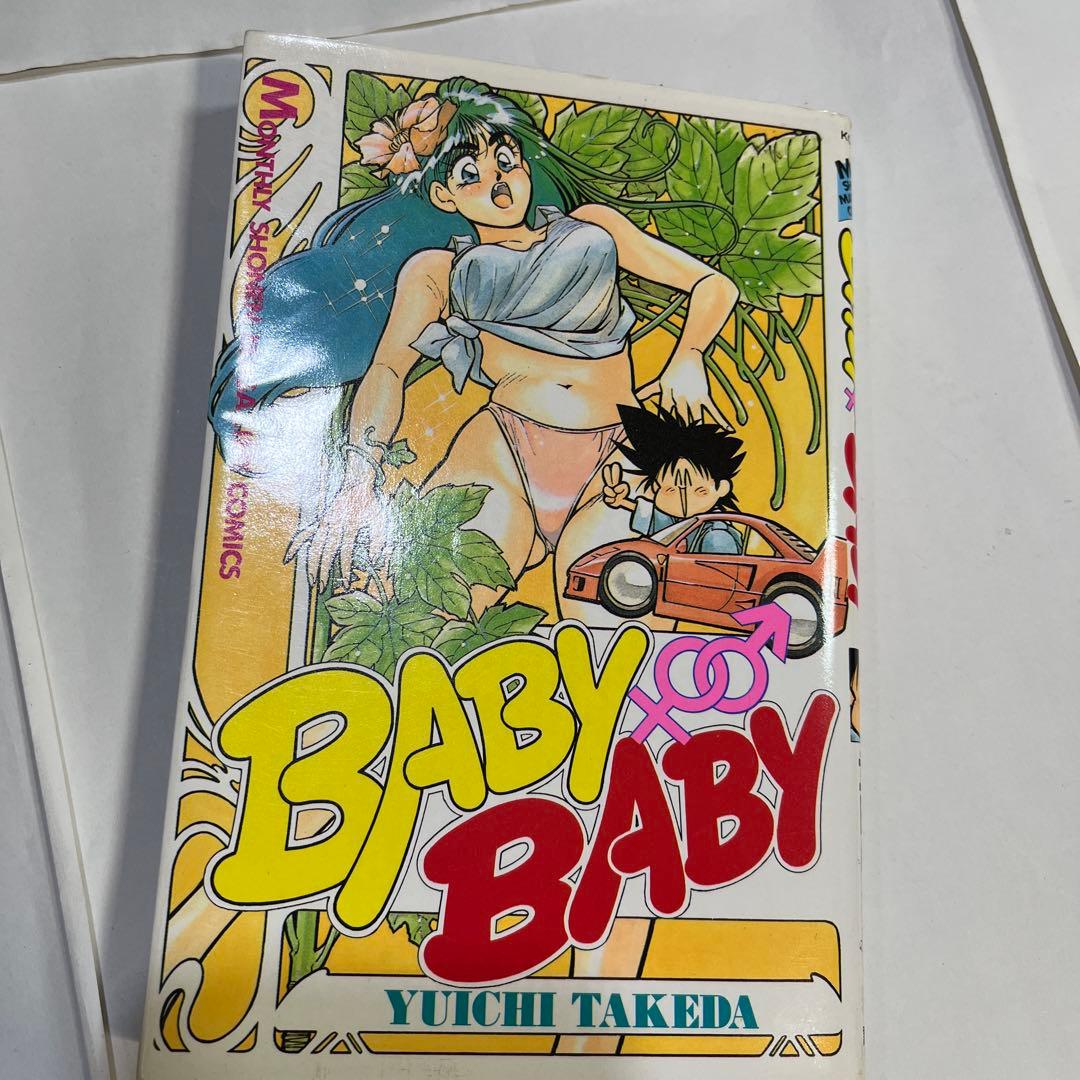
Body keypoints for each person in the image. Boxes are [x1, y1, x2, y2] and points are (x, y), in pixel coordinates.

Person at [209, 77, 741, 617]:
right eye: (471, 174)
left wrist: (689, 355)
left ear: (525, 167)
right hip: (503, 451)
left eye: (505, 162)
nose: (498, 183)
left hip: (615, 460)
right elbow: (388, 370)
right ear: (444, 196)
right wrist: (359, 477)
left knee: (610, 611)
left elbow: (714, 285)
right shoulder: (436, 271)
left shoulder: (593, 229)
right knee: (439, 614)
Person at [601, 404, 745, 554]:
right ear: (656, 488)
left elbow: (722, 566)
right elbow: (657, 520)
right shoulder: (676, 523)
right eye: (670, 490)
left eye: (700, 491)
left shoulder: (718, 535)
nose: (685, 501)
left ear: (721, 488)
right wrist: (622, 501)